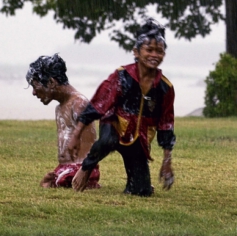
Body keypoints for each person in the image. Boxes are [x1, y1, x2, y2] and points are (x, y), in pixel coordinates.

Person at [68, 18, 176, 195]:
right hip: (115, 124)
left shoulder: (165, 88)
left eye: (159, 51)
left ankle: (139, 183)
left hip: (138, 137)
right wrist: (76, 134)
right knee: (108, 141)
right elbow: (98, 104)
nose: (154, 55)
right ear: (136, 52)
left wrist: (167, 161)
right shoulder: (121, 77)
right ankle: (87, 167)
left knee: (141, 192)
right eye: (149, 50)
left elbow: (166, 124)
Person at [26, 54, 99, 188]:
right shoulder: (59, 108)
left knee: (55, 183)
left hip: (82, 168)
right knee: (49, 182)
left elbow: (91, 146)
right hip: (66, 167)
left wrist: (85, 170)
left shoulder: (79, 104)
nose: (34, 92)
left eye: (35, 86)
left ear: (51, 82)